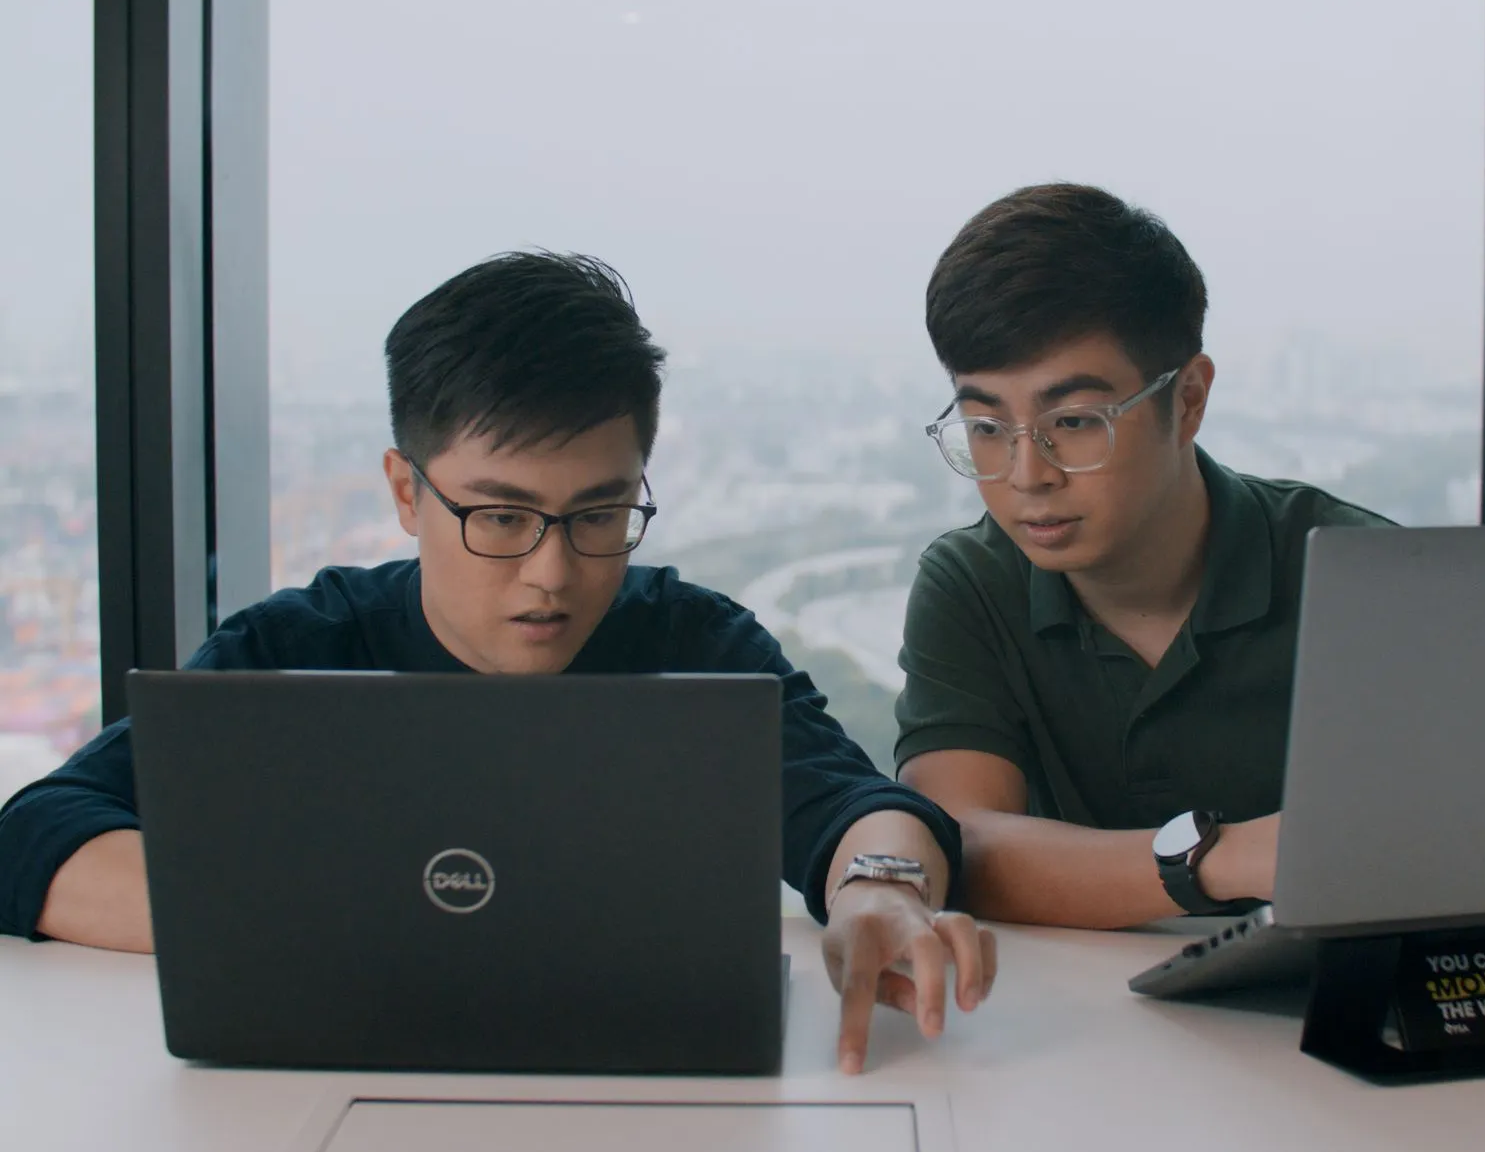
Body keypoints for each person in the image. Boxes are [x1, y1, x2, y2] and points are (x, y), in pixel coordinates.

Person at [0, 250, 996, 1073]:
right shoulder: (298, 649)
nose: (550, 575)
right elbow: (35, 835)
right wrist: (325, 926)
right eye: (501, 516)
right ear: (405, 491)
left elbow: (860, 808)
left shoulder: (693, 644)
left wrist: (878, 887)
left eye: (600, 515)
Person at [897, 183, 1394, 930]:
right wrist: (1223, 859)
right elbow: (958, 843)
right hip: (1076, 1028)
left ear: (1188, 398)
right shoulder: (972, 584)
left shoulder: (1361, 575)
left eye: (1074, 420)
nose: (1029, 475)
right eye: (988, 428)